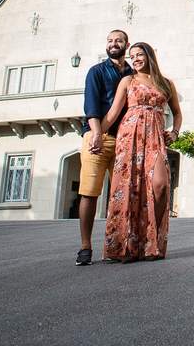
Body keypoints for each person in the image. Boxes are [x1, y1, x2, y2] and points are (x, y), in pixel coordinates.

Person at [100, 41, 183, 262]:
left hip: (156, 138)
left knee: (160, 185)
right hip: (130, 137)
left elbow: (177, 113)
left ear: (149, 56)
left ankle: (151, 241)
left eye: (139, 55)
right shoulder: (128, 81)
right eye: (132, 56)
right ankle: (125, 246)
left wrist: (175, 132)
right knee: (128, 189)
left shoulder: (166, 83)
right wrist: (97, 133)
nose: (135, 59)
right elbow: (113, 112)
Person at [75, 29, 134, 266]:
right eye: (109, 41)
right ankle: (85, 247)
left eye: (118, 40)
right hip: (97, 136)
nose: (113, 44)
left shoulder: (133, 73)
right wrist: (97, 133)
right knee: (89, 191)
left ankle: (118, 246)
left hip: (124, 139)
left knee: (121, 194)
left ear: (126, 45)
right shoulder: (97, 71)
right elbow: (91, 104)